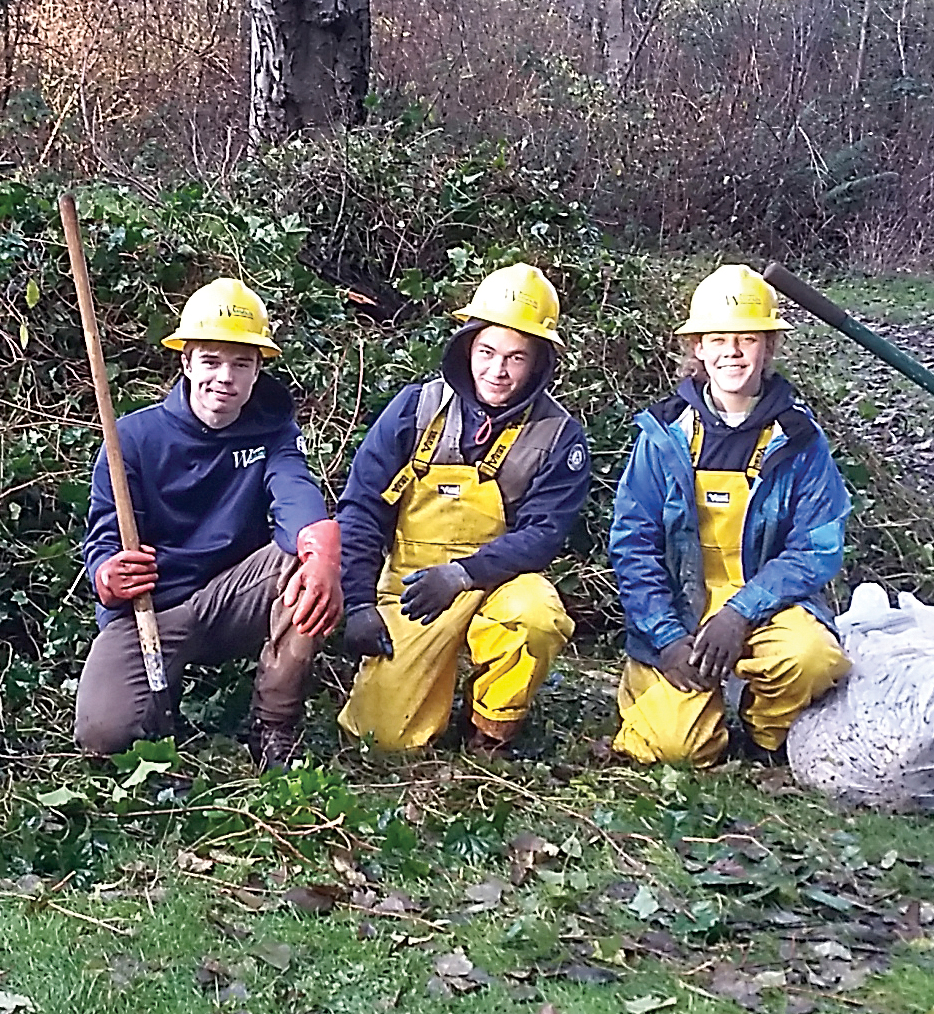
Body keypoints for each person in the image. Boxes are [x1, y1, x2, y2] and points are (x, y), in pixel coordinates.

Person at [73, 278, 344, 764]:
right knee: (103, 733)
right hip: (152, 609)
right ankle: (156, 705)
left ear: (258, 370)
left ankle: (274, 723)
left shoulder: (273, 430)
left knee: (302, 563)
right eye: (212, 361)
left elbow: (295, 493)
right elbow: (105, 534)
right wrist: (108, 576)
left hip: (233, 595)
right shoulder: (131, 439)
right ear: (186, 362)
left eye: (242, 364)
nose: (226, 377)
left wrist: (321, 548)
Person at [334, 263, 596, 753]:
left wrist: (462, 574)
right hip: (412, 590)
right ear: (467, 346)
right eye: (487, 352)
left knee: (536, 614)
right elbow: (363, 509)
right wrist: (360, 604)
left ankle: (489, 731)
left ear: (539, 363)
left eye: (516, 358)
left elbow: (543, 535)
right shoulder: (415, 409)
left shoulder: (559, 436)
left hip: (496, 582)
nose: (497, 371)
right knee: (382, 737)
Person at [605, 264, 851, 765]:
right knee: (678, 748)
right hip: (681, 612)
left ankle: (764, 736)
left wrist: (740, 613)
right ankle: (658, 684)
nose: (732, 352)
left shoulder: (799, 439)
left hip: (765, 608)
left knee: (813, 659)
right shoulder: (662, 434)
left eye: (747, 339)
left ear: (769, 349)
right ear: (697, 349)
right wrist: (669, 639)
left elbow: (817, 546)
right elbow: (633, 546)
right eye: (717, 339)